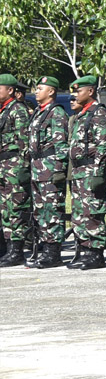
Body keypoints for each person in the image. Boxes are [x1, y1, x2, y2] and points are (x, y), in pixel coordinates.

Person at [66, 75, 106, 270]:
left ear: (90, 91)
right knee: (80, 212)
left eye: (79, 91)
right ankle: (85, 249)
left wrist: (97, 173)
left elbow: (102, 147)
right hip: (78, 170)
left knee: (93, 212)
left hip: (90, 171)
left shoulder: (98, 113)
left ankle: (96, 252)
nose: (76, 95)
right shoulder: (81, 115)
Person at [24, 76, 69, 268]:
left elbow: (61, 145)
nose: (36, 91)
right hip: (37, 168)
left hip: (50, 169)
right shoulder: (38, 113)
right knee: (40, 210)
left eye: (40, 88)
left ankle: (53, 251)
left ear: (51, 91)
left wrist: (59, 170)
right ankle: (45, 246)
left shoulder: (56, 113)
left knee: (52, 209)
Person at [0, 74, 32, 267]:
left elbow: (24, 142)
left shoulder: (18, 110)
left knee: (16, 208)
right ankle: (6, 247)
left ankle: (17, 251)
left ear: (10, 90)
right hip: (3, 166)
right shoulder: (3, 111)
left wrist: (23, 168)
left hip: (14, 166)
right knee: (5, 209)